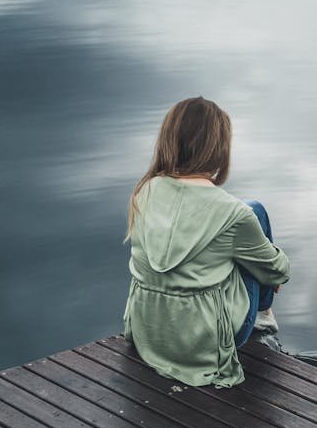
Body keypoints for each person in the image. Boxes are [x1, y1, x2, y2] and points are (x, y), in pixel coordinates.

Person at [123, 96, 291, 388]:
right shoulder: (233, 213)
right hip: (205, 344)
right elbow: (281, 271)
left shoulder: (144, 192)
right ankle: (262, 318)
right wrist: (265, 268)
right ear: (219, 147)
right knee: (256, 211)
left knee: (243, 227)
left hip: (148, 333)